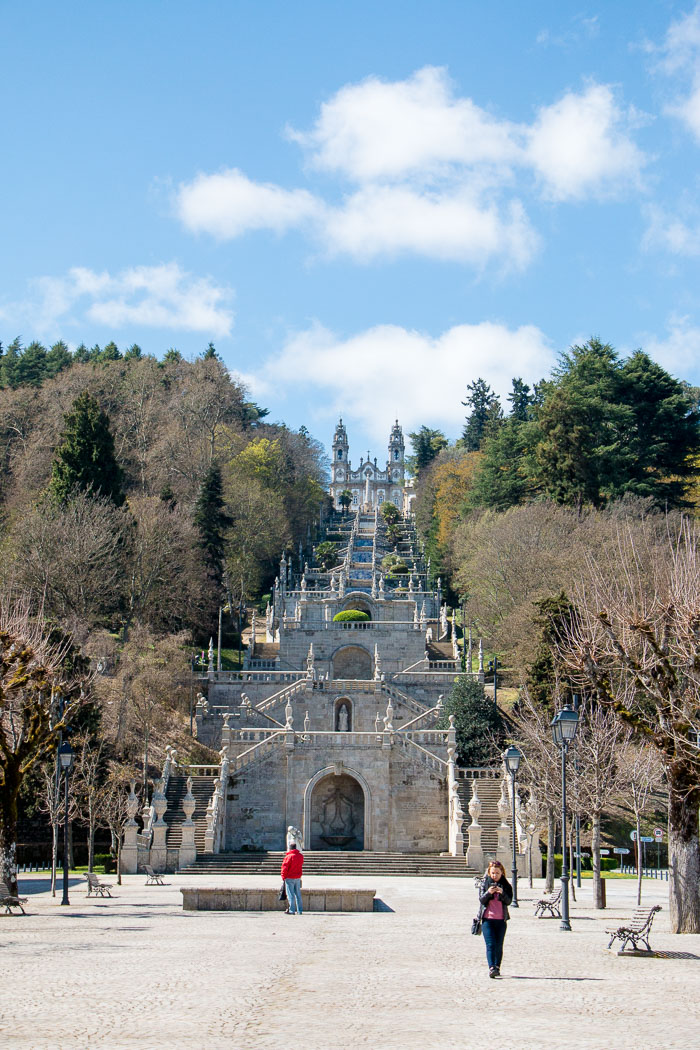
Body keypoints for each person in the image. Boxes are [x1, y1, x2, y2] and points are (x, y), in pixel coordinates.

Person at [478, 860, 513, 978]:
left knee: (499, 945)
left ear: (502, 873)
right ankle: (491, 967)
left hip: (501, 920)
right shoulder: (485, 884)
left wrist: (502, 893)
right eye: (492, 873)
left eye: (497, 873)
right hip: (487, 919)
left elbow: (508, 901)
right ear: (489, 873)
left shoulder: (506, 886)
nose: (495, 876)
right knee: (490, 944)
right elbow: (482, 900)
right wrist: (488, 893)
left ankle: (497, 966)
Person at [281, 841, 304, 914]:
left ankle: (292, 910)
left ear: (290, 848)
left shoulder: (288, 857)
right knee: (298, 894)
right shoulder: (300, 856)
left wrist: (283, 877)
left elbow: (285, 867)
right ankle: (300, 910)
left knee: (290, 894)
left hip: (289, 877)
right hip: (297, 877)